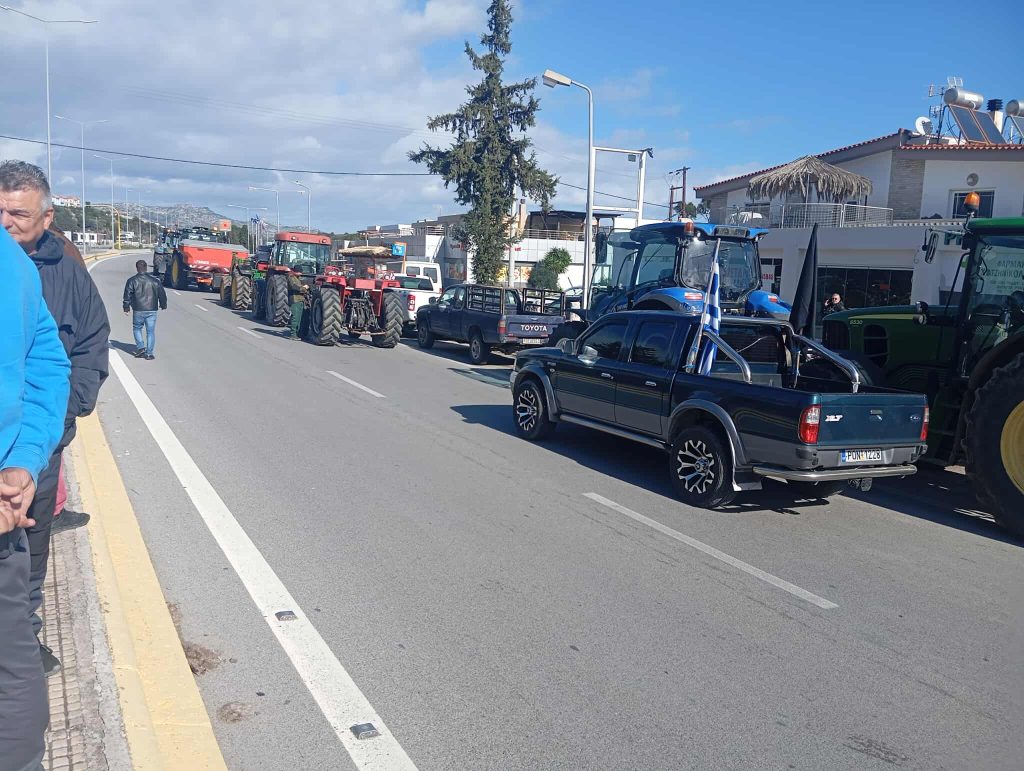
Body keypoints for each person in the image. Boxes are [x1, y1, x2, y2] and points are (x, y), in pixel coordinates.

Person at [0, 160, 110, 676]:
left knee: (31, 543)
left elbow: (89, 344)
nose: (6, 222)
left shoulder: (67, 270)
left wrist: (65, 414)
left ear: (46, 218)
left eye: (18, 213)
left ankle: (26, 634)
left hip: (43, 439)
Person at [0, 225, 71, 771]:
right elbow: (48, 362)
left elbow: (61, 356)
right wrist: (25, 458)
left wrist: (25, 461)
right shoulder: (14, 261)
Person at [123, 259, 168, 359]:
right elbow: (162, 294)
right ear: (146, 268)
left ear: (137, 268)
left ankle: (141, 347)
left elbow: (127, 295)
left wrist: (126, 308)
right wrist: (163, 305)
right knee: (150, 332)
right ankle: (149, 354)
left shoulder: (132, 281)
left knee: (137, 328)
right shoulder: (155, 281)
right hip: (152, 310)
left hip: (138, 309)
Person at [287, 272, 308, 340]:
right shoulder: (291, 277)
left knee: (300, 318)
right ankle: (293, 334)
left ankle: (298, 334)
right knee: (295, 317)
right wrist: (304, 288)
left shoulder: (297, 278)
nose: (301, 273)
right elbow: (294, 287)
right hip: (294, 300)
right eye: (299, 272)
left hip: (300, 300)